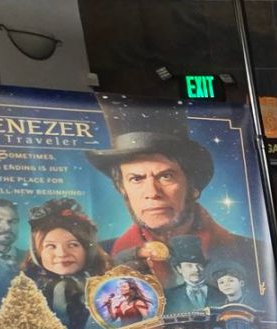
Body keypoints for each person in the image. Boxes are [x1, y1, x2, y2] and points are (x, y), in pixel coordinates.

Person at [85, 96, 256, 287]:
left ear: (193, 187)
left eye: (166, 176)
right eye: (136, 179)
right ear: (123, 189)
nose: (152, 192)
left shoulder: (254, 255)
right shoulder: (101, 260)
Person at [20, 198, 110, 329]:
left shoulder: (107, 286)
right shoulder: (26, 292)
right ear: (37, 252)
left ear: (88, 249)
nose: (62, 253)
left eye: (73, 245)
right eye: (51, 246)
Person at [163, 235, 225, 313]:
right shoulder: (169, 296)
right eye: (189, 266)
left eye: (199, 265)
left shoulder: (220, 293)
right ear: (179, 269)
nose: (196, 270)